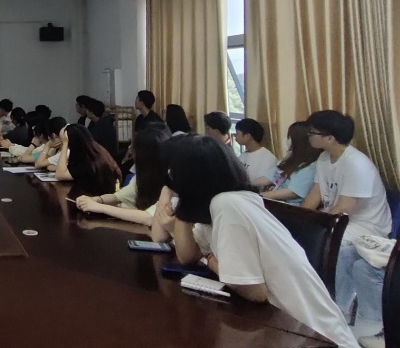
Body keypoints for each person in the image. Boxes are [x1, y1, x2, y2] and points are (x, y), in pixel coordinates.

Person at [156, 134, 358, 348]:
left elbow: (253, 291)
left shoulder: (228, 205)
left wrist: (209, 258)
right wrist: (181, 208)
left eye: (172, 173)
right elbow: (187, 256)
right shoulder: (220, 203)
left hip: (314, 337)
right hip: (281, 328)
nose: (169, 178)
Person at [301, 111, 392, 244]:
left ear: (330, 138)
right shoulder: (323, 157)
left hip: (363, 226)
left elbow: (344, 208)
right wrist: (299, 219)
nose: (308, 135)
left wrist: (317, 228)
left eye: (312, 132)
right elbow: (315, 193)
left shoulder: (357, 164)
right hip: (336, 217)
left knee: (315, 240)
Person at [77, 124, 170, 226]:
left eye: (133, 147)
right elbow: (117, 197)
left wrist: (100, 207)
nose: (130, 148)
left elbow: (149, 217)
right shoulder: (143, 177)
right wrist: (96, 200)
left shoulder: (171, 182)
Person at [251, 122, 321, 205]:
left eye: (289, 136)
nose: (286, 140)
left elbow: (292, 193)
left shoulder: (310, 166)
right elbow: (271, 178)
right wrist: (248, 184)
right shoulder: (289, 160)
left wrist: (259, 195)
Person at [53, 124, 121, 197]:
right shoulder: (95, 150)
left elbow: (60, 175)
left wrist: (65, 144)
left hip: (100, 198)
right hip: (103, 195)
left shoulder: (87, 161)